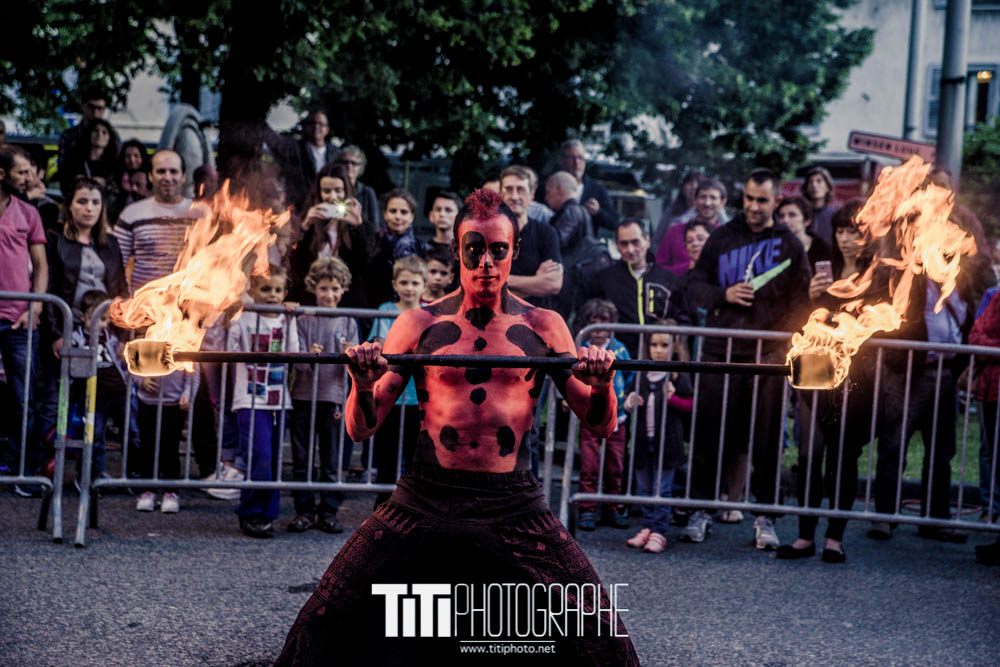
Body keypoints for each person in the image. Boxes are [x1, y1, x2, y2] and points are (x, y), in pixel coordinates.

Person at [276, 189, 637, 665]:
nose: (486, 262)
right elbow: (359, 430)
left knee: (600, 634)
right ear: (457, 250)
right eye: (474, 249)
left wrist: (603, 383)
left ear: (514, 252)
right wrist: (361, 385)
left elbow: (602, 424)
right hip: (426, 493)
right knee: (325, 616)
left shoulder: (545, 326)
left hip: (513, 498)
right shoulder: (418, 323)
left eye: (498, 250)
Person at [683, 168, 811, 550]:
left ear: (776, 201)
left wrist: (781, 342)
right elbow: (694, 286)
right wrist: (724, 295)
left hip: (767, 357)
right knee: (708, 434)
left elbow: (802, 305)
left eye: (762, 200)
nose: (754, 207)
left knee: (768, 438)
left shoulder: (790, 245)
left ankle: (766, 517)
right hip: (720, 353)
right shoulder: (722, 237)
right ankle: (700, 509)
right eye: (750, 199)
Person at [777, 202, 872, 564]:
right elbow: (800, 318)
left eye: (855, 231)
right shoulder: (821, 265)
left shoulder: (877, 274)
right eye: (842, 231)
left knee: (844, 455)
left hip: (857, 375)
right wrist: (814, 297)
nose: (847, 239)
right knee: (809, 452)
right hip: (817, 368)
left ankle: (835, 536)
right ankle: (805, 535)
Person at [288, 257, 360, 535]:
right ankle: (304, 511)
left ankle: (329, 511)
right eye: (323, 288)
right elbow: (301, 365)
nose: (329, 295)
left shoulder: (350, 319)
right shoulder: (304, 319)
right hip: (304, 395)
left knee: (333, 459)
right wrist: (310, 356)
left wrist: (350, 354)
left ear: (342, 290)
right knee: (302, 458)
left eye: (334, 289)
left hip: (334, 396)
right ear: (313, 288)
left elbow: (355, 367)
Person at [228, 266, 299, 537]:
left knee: (274, 460)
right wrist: (229, 317)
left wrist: (290, 318)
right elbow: (230, 350)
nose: (272, 295)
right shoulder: (244, 318)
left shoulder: (285, 319)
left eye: (278, 290)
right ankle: (250, 511)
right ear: (252, 291)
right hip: (249, 399)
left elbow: (294, 353)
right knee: (260, 456)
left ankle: (268, 514)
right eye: (266, 289)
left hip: (279, 400)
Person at [0, 144, 48, 492]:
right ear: (2, 174)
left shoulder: (29, 213)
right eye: (20, 172)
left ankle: (23, 471)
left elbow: (41, 265)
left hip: (18, 320)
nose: (27, 177)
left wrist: (36, 306)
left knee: (24, 400)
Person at [623, 322, 693, 554]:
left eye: (664, 345)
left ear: (674, 347)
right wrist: (630, 401)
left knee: (662, 489)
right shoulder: (642, 373)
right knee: (644, 487)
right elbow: (628, 397)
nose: (658, 350)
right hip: (643, 441)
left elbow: (690, 405)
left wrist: (673, 399)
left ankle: (659, 531)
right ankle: (648, 525)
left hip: (668, 443)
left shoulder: (676, 374)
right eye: (654, 345)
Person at [367, 255, 426, 507]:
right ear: (394, 284)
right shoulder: (385, 310)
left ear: (423, 284)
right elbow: (380, 343)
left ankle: (412, 503)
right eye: (404, 282)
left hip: (418, 397)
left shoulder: (428, 313)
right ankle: (383, 505)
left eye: (414, 282)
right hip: (391, 394)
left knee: (415, 455)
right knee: (387, 454)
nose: (409, 288)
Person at [574, 299, 632, 531]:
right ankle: (587, 509)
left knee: (615, 465)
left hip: (618, 418)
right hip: (590, 415)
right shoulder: (582, 347)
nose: (598, 330)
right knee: (589, 465)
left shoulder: (619, 349)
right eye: (593, 324)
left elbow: (628, 375)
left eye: (603, 324)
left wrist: (627, 396)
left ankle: (612, 507)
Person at [592, 218, 685, 357]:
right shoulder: (605, 278)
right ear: (617, 245)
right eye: (624, 243)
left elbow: (683, 316)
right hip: (618, 356)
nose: (630, 249)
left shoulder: (667, 278)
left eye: (635, 242)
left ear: (647, 241)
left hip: (659, 357)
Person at [113, 149, 201, 293]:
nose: (167, 177)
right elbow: (117, 265)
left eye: (173, 171)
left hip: (191, 304)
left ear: (183, 176)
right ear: (150, 176)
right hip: (144, 306)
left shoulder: (200, 213)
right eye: (161, 171)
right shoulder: (131, 214)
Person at [289, 163, 373, 310]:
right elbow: (295, 266)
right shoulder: (307, 221)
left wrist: (357, 227)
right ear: (319, 192)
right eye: (326, 191)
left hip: (348, 305)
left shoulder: (361, 224)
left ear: (347, 191)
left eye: (338, 190)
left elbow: (364, 267)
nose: (333, 197)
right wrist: (305, 227)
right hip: (311, 303)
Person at [133, 360, 195, 513]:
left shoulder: (184, 341)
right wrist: (141, 380)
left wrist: (188, 394)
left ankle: (171, 491)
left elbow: (193, 371)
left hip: (173, 403)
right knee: (148, 446)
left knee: (170, 447)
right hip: (147, 402)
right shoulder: (146, 340)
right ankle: (147, 490)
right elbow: (132, 365)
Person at [501, 165, 563, 310]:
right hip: (496, 318)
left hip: (535, 318)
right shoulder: (488, 233)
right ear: (500, 194)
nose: (514, 196)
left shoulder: (546, 233)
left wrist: (503, 280)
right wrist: (536, 281)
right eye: (508, 189)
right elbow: (482, 284)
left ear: (532, 195)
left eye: (520, 190)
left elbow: (553, 285)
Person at [546, 170, 599, 319]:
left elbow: (556, 243)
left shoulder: (571, 211)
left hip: (569, 281)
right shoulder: (580, 211)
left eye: (549, 192)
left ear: (560, 190)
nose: (546, 197)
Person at [655, 178, 728, 275]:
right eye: (703, 197)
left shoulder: (727, 236)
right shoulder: (675, 232)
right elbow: (659, 269)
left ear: (723, 202)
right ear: (695, 200)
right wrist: (687, 267)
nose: (707, 203)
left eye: (713, 198)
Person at [551, 139, 619, 231]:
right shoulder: (549, 187)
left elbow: (614, 223)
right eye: (571, 158)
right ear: (561, 160)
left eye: (580, 158)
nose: (576, 163)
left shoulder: (597, 189)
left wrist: (598, 212)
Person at [368, 188, 420, 308]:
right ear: (385, 214)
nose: (398, 216)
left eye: (404, 212)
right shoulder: (373, 242)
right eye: (393, 211)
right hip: (376, 309)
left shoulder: (419, 247)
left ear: (412, 216)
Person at [57, 88, 121, 176]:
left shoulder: (112, 135)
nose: (95, 112)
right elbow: (63, 168)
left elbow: (118, 168)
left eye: (100, 108)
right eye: (91, 107)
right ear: (83, 106)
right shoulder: (69, 135)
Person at [59, 118, 119, 197]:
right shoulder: (75, 161)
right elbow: (64, 184)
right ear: (89, 134)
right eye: (96, 131)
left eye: (104, 132)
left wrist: (105, 184)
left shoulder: (114, 164)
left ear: (109, 138)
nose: (99, 135)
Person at [651, 172, 705, 252]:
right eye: (690, 183)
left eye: (697, 184)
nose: (693, 187)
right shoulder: (672, 210)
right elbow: (657, 240)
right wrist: (660, 260)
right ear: (683, 187)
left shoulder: (708, 213)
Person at [776, 195, 831, 272]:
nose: (785, 220)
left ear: (807, 221)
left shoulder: (823, 249)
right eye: (781, 216)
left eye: (792, 215)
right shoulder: (773, 247)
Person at [334, 145, 381, 229]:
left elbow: (375, 226)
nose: (349, 166)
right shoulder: (331, 191)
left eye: (354, 163)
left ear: (360, 167)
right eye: (345, 162)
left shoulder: (367, 193)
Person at [801, 165, 839, 246]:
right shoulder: (800, 214)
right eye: (810, 182)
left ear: (827, 187)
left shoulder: (834, 216)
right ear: (806, 188)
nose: (814, 185)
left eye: (819, 181)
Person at [420, 190, 462, 257]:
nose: (442, 214)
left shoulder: (466, 250)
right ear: (431, 216)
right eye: (438, 209)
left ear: (459, 217)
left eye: (448, 210)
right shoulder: (422, 250)